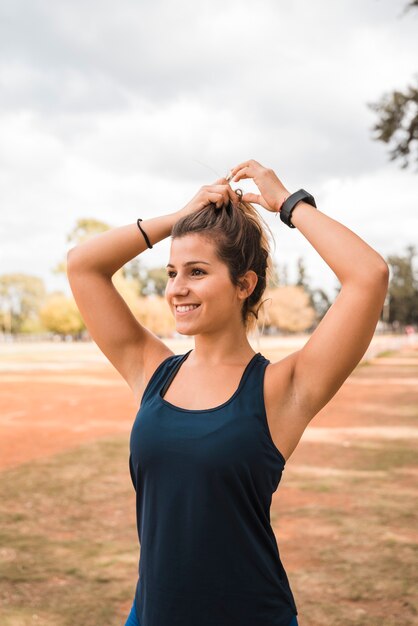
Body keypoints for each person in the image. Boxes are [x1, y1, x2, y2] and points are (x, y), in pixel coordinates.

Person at [67, 159, 389, 626]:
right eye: (172, 273)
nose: (177, 288)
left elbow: (369, 275)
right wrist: (179, 217)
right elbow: (83, 266)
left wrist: (289, 204)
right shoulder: (152, 370)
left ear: (244, 284)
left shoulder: (282, 389)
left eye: (196, 272)